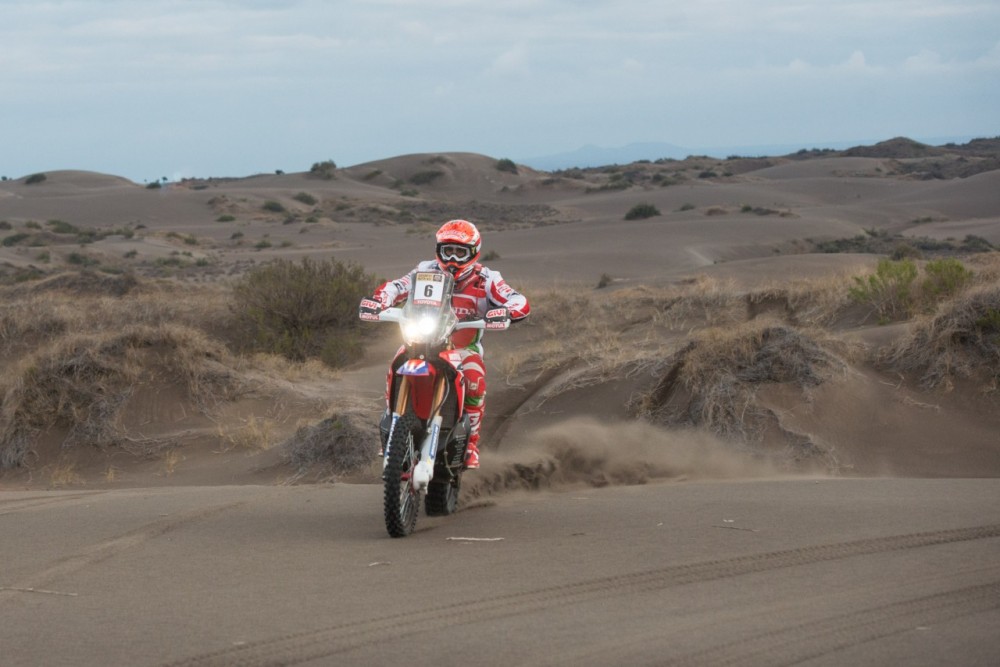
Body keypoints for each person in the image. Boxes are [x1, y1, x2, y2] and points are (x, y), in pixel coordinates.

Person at [369, 219, 530, 469]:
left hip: (463, 348)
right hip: (421, 340)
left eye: (460, 252)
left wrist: (507, 311)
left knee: (475, 379)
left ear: (473, 253)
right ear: (438, 250)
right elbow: (397, 287)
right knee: (396, 364)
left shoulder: (487, 279)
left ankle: (472, 444)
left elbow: (516, 299)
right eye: (448, 251)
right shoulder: (424, 271)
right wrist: (379, 300)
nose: (453, 259)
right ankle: (393, 428)